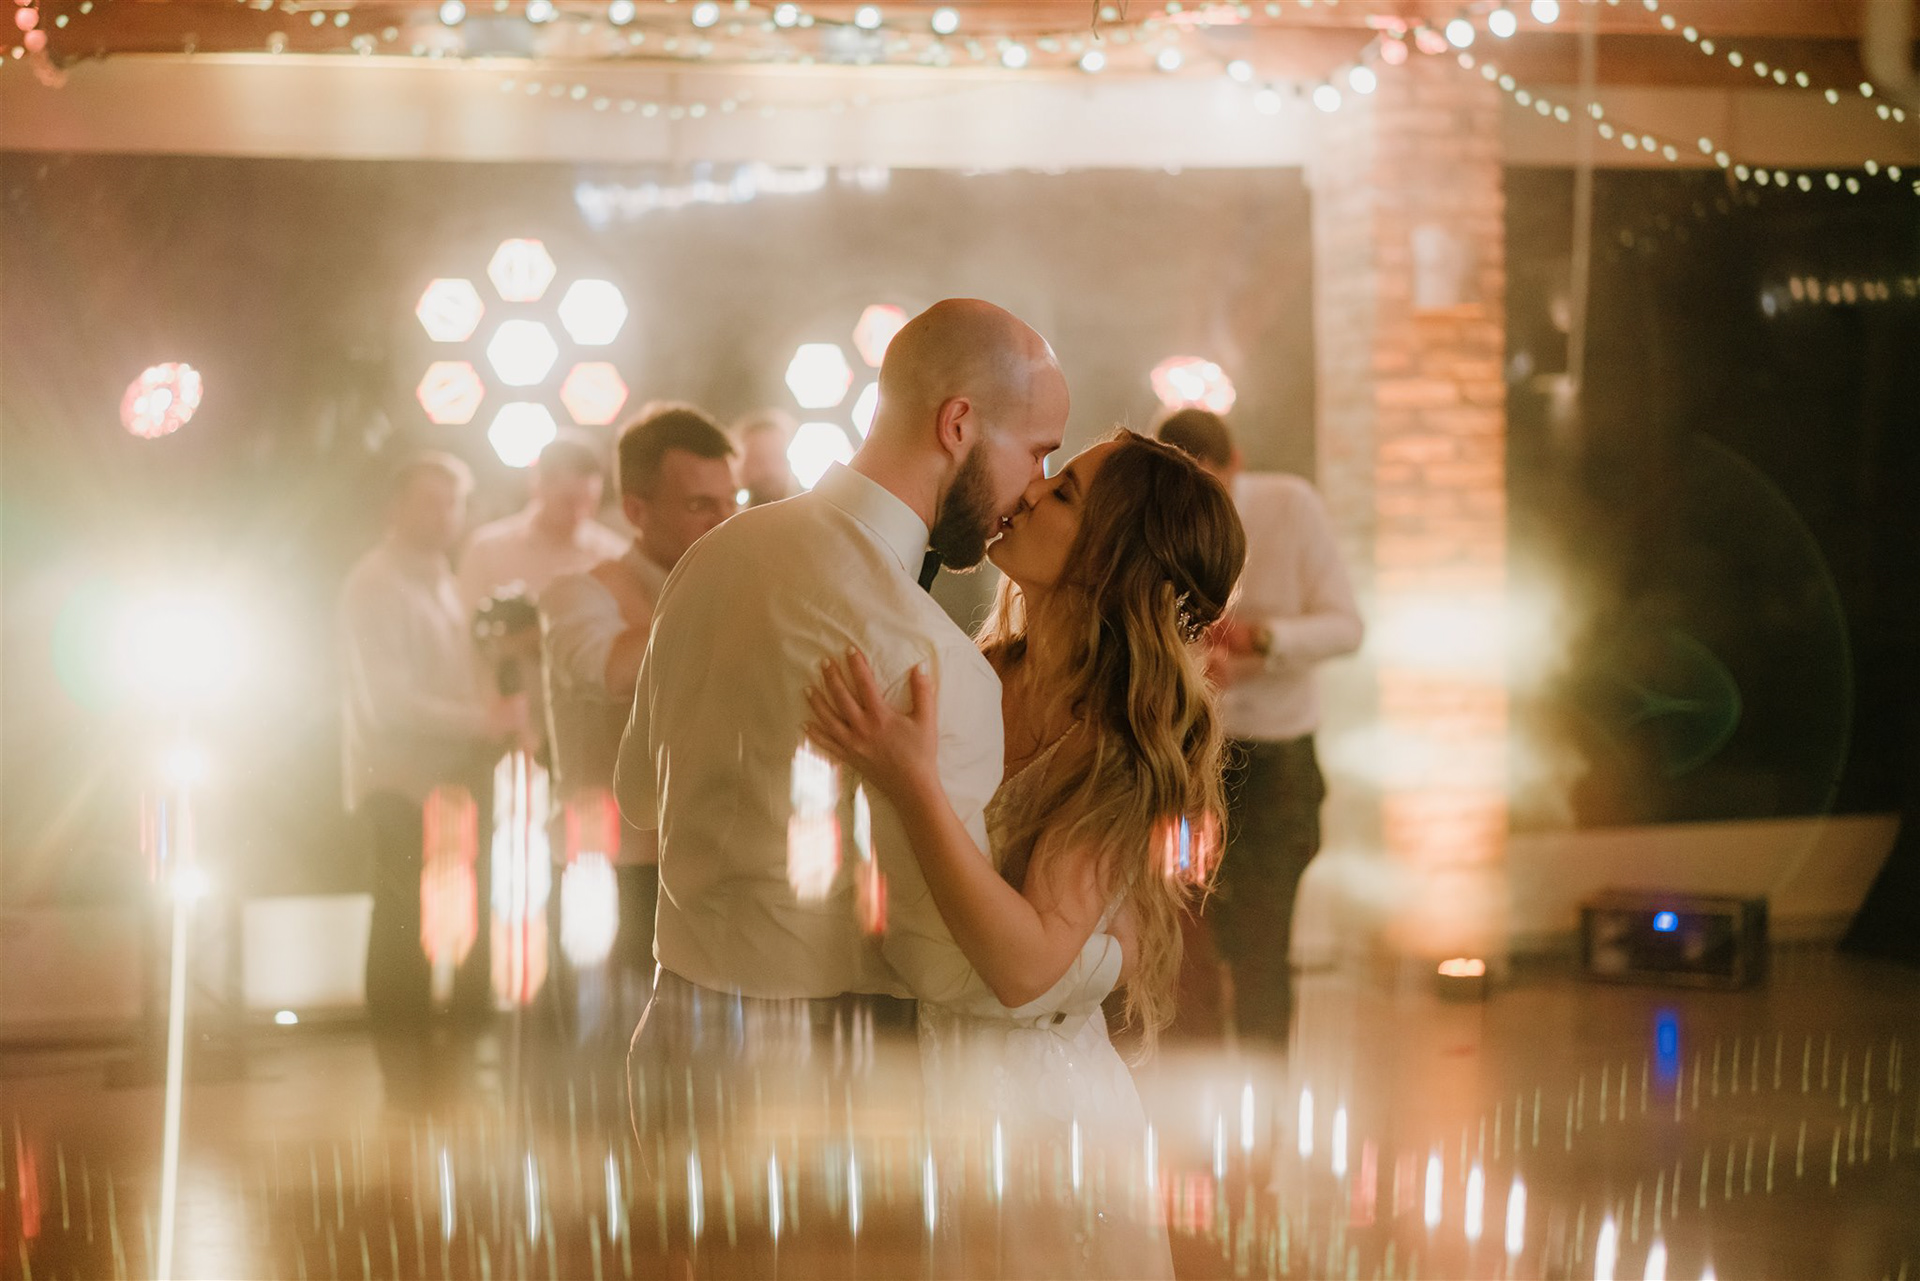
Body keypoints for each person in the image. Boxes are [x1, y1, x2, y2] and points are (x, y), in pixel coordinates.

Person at [614, 299, 1126, 1265]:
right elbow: (942, 966)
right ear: (960, 424)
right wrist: (1095, 960)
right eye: (1038, 452)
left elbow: (637, 795)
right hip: (827, 1078)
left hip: (670, 1037)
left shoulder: (714, 555)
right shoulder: (932, 663)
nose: (1034, 487)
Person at [805, 429, 1246, 1278]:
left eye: (1065, 491)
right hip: (921, 1078)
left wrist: (912, 783)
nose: (1031, 490)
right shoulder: (977, 672)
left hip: (1036, 1116)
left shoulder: (1116, 745)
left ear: (1112, 557)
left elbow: (1025, 966)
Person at [1155, 407, 1364, 1043]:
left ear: (1236, 464)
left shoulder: (1289, 506)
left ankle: (1262, 1096)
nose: (1196, 505)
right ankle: (1196, 1094)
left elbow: (1346, 628)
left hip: (1277, 764)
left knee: (1262, 948)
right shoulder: (1156, 518)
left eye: (1210, 485)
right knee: (1183, 945)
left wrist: (1260, 639)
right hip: (1186, 763)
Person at [539, 406, 736, 1026]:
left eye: (731, 502)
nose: (726, 521)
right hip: (606, 870)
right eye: (700, 505)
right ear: (635, 510)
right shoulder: (578, 594)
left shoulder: (739, 592)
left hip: (708, 870)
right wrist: (710, 596)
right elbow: (611, 670)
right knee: (599, 1060)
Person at [339, 453, 525, 1027]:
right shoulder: (375, 583)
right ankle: (400, 1051)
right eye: (431, 502)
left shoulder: (443, 579)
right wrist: (485, 721)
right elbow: (389, 704)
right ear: (394, 507)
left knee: (451, 912)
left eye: (454, 504)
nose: (446, 516)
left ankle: (451, 1042)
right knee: (402, 922)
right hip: (398, 780)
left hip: (450, 777)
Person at [455, 432, 626, 611]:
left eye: (589, 502)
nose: (579, 513)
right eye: (569, 501)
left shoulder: (613, 556)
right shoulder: (488, 551)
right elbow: (467, 621)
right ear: (539, 485)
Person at [728, 407, 800, 507]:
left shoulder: (815, 513)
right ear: (740, 466)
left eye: (776, 457)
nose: (769, 468)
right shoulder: (730, 515)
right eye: (758, 459)